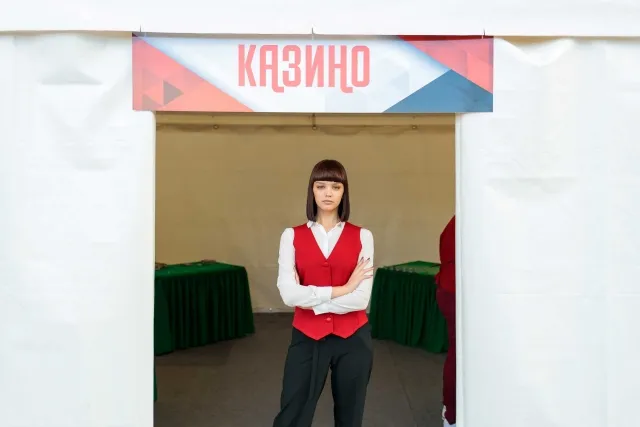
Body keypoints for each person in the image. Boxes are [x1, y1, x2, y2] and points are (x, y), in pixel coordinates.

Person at [272, 159, 375, 427]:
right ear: (312, 190)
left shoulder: (363, 236)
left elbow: (360, 300)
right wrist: (344, 289)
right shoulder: (291, 236)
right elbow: (288, 295)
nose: (328, 193)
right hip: (307, 337)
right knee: (292, 414)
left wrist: (310, 298)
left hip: (354, 339)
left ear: (344, 192)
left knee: (350, 417)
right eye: (321, 186)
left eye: (335, 186)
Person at [435, 215, 456, 427]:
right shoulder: (467, 218)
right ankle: (452, 415)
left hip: (453, 289)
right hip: (456, 292)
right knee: (460, 354)